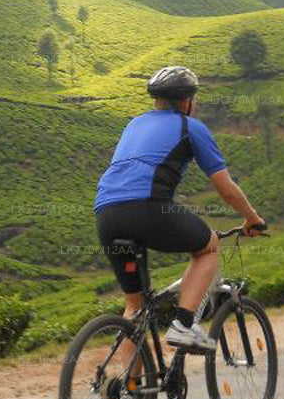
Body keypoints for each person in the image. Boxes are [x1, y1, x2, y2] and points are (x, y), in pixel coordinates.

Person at [94, 65, 266, 351]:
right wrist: (253, 218)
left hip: (106, 214)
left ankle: (130, 392)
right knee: (208, 246)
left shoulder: (134, 124)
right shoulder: (191, 127)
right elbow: (225, 188)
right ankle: (184, 326)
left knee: (134, 308)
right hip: (147, 208)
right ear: (187, 101)